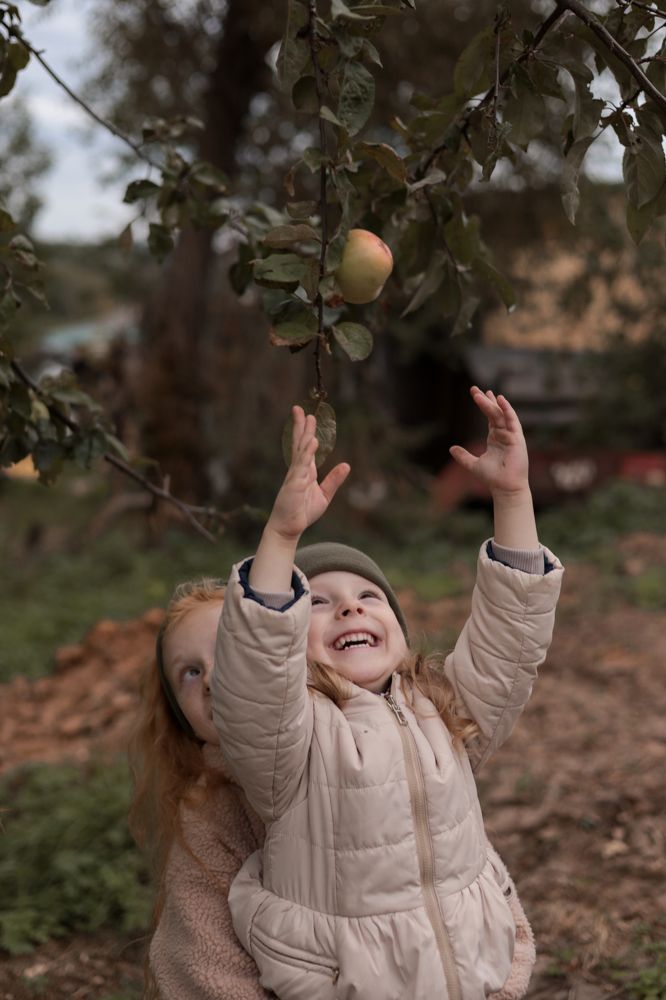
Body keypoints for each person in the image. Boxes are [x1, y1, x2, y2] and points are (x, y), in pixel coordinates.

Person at [212, 386, 564, 1000]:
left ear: (398, 627)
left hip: (467, 970)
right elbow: (254, 675)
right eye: (318, 603)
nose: (350, 605)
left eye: (368, 596)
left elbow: (511, 635)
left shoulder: (445, 707)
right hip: (349, 979)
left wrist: (511, 496)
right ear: (293, 637)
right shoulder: (290, 741)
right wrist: (282, 535)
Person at [128, 578, 268, 1000]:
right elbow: (202, 963)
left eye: (229, 650)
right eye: (191, 672)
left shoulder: (357, 751)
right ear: (179, 715)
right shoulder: (208, 814)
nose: (211, 680)